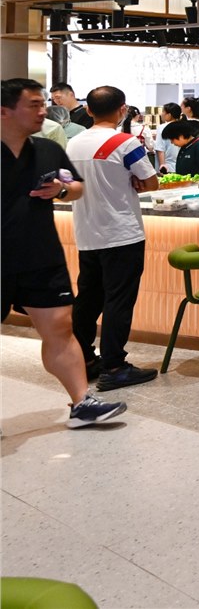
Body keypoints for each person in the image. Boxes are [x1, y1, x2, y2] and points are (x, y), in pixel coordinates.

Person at [2, 78, 127, 427]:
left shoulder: (47, 149)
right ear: (4, 111)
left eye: (43, 104)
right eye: (33, 105)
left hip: (41, 255)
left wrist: (60, 189)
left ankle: (82, 403)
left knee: (59, 327)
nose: (43, 111)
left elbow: (77, 187)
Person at [67, 85, 160, 392]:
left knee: (88, 299)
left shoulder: (73, 143)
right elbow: (151, 182)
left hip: (86, 233)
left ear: (88, 110)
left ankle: (83, 359)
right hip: (122, 233)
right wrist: (134, 181)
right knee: (118, 300)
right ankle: (115, 366)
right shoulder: (125, 142)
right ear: (122, 110)